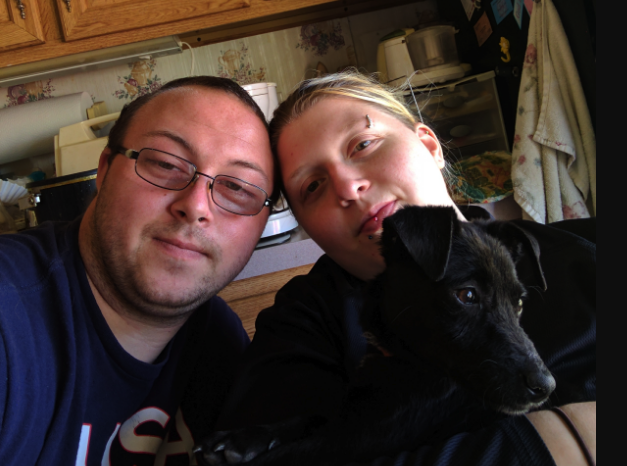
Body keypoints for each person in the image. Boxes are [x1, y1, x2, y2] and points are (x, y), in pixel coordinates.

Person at [200, 71, 596, 466]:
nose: (347, 186)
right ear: (306, 225)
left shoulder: (583, 252)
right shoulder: (303, 323)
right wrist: (559, 437)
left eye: (363, 144)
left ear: (429, 145)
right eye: (313, 186)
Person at [0, 76, 279, 465]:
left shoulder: (218, 346)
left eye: (238, 188)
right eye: (165, 163)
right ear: (104, 170)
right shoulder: (9, 316)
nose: (196, 206)